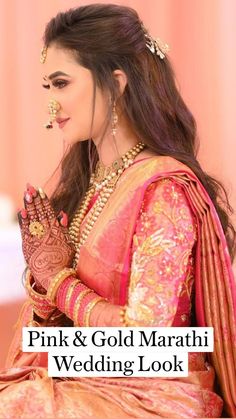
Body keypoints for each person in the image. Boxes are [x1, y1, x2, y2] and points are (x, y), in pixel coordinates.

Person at [0, 4, 235, 418]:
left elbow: (148, 342)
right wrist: (44, 292)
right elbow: (68, 330)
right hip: (91, 380)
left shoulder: (162, 190)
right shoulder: (91, 184)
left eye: (61, 83)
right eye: (47, 87)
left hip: (155, 391)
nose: (51, 104)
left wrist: (59, 284)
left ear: (116, 83)